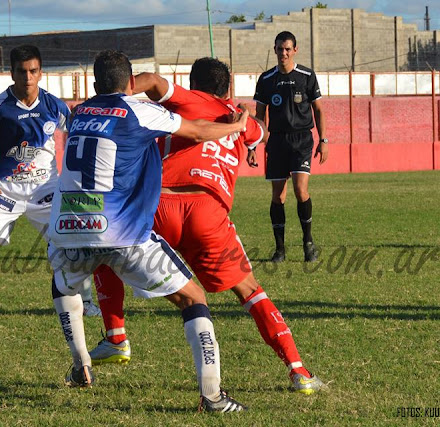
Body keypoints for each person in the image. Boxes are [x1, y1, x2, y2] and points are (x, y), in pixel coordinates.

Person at [89, 57, 324, 395]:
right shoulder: (242, 122)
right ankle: (298, 371)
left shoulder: (189, 99)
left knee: (105, 250)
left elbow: (152, 80)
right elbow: (260, 131)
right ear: (227, 89)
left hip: (161, 206)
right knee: (250, 292)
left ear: (193, 84)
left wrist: (115, 93)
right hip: (209, 213)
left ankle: (116, 337)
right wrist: (243, 117)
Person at [48, 50, 249, 412]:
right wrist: (236, 127)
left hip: (68, 227)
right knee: (194, 298)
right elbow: (198, 131)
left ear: (94, 83)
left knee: (63, 284)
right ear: (130, 83)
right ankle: (213, 396)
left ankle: (81, 365)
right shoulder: (138, 110)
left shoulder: (79, 113)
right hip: (120, 233)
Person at [0, 45, 100, 320]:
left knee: (72, 240)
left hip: (46, 189)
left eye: (33, 71)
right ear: (12, 73)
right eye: (21, 71)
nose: (27, 77)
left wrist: (83, 116)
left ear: (40, 73)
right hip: (4, 189)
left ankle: (86, 301)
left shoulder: (54, 105)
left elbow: (77, 131)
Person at [249, 31, 329, 263]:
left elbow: (319, 110)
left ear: (295, 50)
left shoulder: (307, 75)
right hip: (276, 141)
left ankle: (308, 243)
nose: (283, 53)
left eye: (287, 49)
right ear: (274, 50)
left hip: (302, 139)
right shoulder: (266, 79)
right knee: (278, 196)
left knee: (300, 191)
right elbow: (260, 116)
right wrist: (253, 146)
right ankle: (280, 249)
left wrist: (323, 140)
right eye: (279, 49)